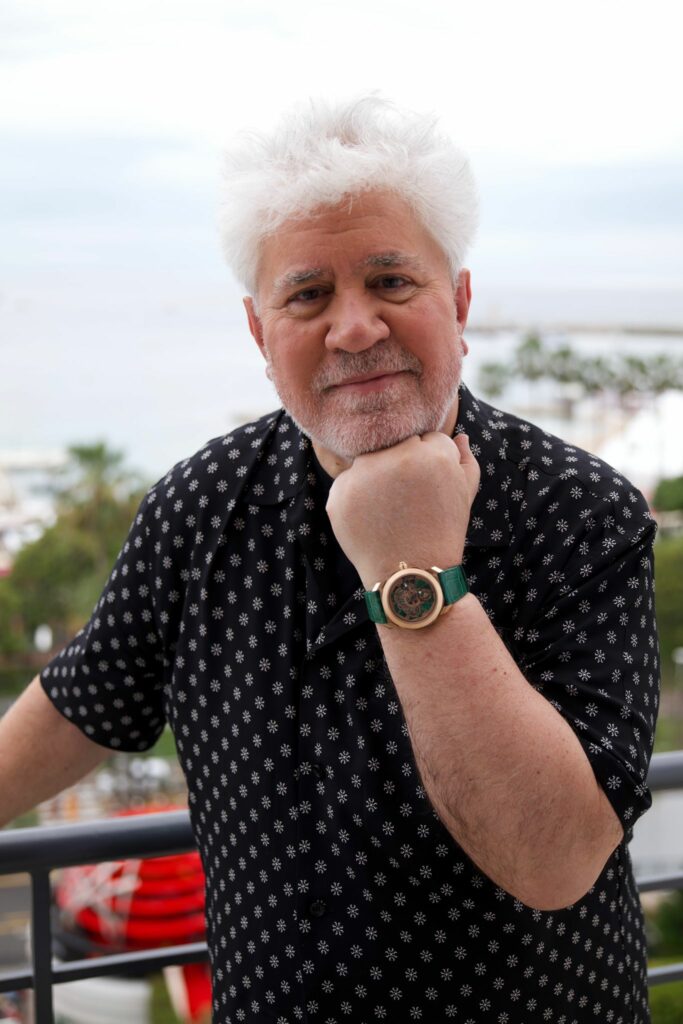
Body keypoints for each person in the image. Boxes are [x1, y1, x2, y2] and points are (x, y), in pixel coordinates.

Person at [1, 97, 659, 1023]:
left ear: (458, 302)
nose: (354, 328)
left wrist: (411, 569)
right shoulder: (202, 503)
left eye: (391, 281)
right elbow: (86, 701)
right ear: (258, 331)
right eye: (307, 295)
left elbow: (552, 861)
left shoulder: (577, 511)